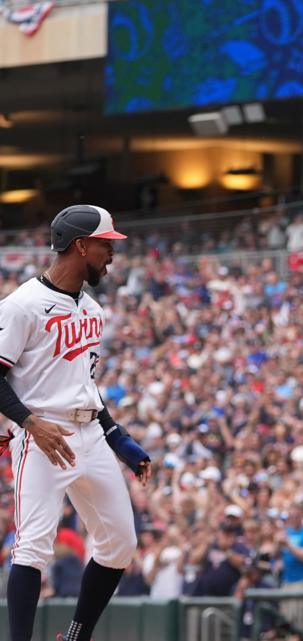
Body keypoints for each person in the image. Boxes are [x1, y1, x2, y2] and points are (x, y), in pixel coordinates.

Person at [0, 205, 150, 641]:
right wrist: (28, 424)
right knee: (32, 547)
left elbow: (84, 384)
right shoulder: (21, 306)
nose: (111, 254)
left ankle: (75, 636)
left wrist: (120, 440)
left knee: (121, 543)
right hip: (42, 433)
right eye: (106, 244)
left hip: (88, 432)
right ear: (81, 245)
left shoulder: (93, 310)